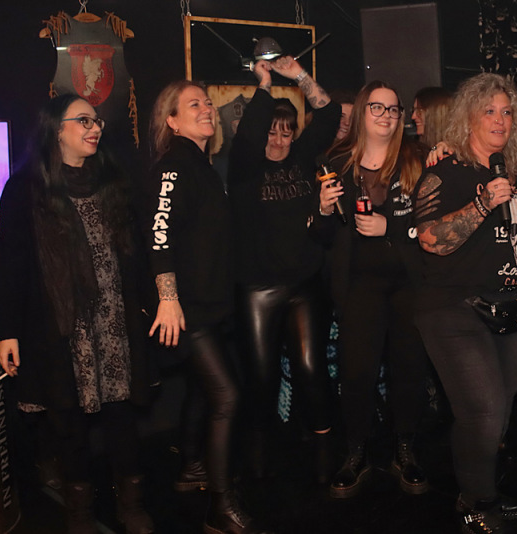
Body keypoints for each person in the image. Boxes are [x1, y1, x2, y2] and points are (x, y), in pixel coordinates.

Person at [0, 94, 155, 533]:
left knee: (122, 417)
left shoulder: (112, 180)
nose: (95, 127)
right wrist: (9, 331)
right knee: (68, 423)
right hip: (60, 327)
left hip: (115, 321)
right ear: (56, 129)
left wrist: (150, 302)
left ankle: (131, 504)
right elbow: (11, 266)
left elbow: (136, 251)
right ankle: (80, 512)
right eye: (83, 120)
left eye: (96, 120)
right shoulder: (25, 189)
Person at [145, 80, 272, 534]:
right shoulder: (173, 166)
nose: (206, 109)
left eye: (207, 103)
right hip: (189, 308)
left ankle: (193, 467)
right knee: (226, 396)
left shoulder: (202, 165)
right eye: (193, 104)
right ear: (172, 121)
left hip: (211, 304)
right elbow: (158, 236)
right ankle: (220, 507)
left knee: (203, 390)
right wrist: (168, 299)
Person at [412, 72, 517, 533]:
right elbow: (429, 239)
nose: (500, 119)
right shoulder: (444, 172)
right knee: (483, 409)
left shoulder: (510, 172)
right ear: (468, 118)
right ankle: (476, 503)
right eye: (489, 111)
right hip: (452, 308)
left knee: (499, 410)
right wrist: (482, 204)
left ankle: (484, 490)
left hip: (508, 308)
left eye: (507, 111)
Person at [228, 56, 339, 484]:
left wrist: (300, 76)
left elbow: (328, 113)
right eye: (272, 132)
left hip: (304, 283)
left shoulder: (304, 157)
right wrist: (264, 82)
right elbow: (249, 133)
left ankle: (325, 450)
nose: (278, 140)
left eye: (286, 132)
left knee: (311, 368)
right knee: (262, 377)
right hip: (258, 287)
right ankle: (257, 460)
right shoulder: (245, 168)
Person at [316, 80, 430, 499]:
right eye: (377, 108)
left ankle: (405, 449)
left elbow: (432, 226)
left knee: (408, 369)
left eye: (393, 109)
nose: (386, 115)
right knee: (357, 372)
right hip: (359, 283)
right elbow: (322, 237)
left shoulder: (418, 159)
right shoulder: (335, 162)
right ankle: (356, 452)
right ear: (362, 112)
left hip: (408, 282)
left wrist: (390, 228)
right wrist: (323, 210)